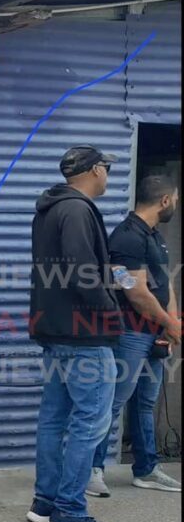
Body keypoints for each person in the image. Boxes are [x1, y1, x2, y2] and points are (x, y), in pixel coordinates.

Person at [27, 145, 124, 522]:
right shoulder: (78, 209)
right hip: (84, 335)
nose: (107, 176)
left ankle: (45, 502)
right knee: (91, 422)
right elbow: (80, 272)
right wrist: (110, 311)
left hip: (55, 331)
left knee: (55, 418)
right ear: (94, 170)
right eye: (106, 169)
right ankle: (69, 511)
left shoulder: (49, 209)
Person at [88, 175, 181, 497]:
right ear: (165, 201)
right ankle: (92, 469)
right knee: (112, 403)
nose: (176, 204)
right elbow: (135, 291)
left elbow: (163, 282)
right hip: (130, 333)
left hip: (154, 333)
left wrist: (172, 322)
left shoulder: (155, 237)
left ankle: (146, 470)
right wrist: (168, 323)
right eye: (176, 198)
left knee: (145, 404)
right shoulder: (127, 237)